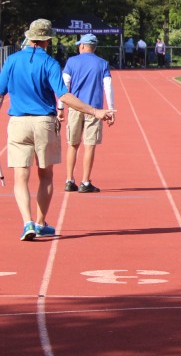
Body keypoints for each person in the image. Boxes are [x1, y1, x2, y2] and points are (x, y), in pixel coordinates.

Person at [0, 19, 112, 241]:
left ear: (29, 37)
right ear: (47, 40)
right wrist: (94, 111)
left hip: (18, 122)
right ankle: (40, 222)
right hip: (44, 122)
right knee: (46, 176)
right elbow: (64, 95)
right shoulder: (50, 62)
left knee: (20, 177)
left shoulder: (11, 60)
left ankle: (27, 222)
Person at [62, 34, 116, 194]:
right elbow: (108, 86)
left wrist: (60, 107)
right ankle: (85, 182)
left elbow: (64, 84)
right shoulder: (102, 63)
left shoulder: (72, 61)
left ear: (83, 46)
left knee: (73, 144)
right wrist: (111, 109)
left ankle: (69, 180)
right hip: (94, 109)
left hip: (75, 107)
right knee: (89, 145)